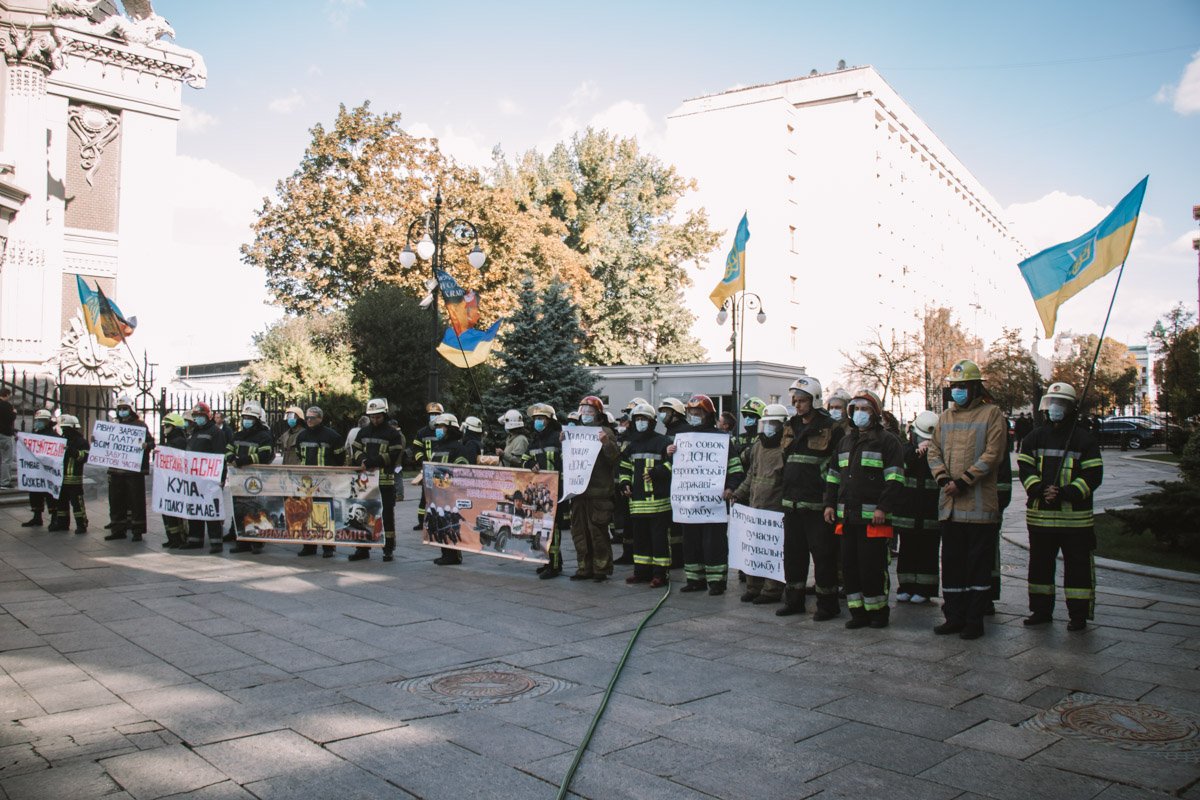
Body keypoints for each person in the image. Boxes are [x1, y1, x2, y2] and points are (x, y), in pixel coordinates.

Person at [927, 359, 1008, 640]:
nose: (957, 391)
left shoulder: (992, 414)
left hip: (979, 509)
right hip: (950, 509)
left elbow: (993, 454)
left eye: (962, 387)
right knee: (951, 566)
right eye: (954, 387)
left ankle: (974, 621)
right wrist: (942, 479)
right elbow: (933, 451)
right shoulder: (946, 418)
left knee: (977, 568)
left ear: (975, 388)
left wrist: (963, 481)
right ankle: (954, 616)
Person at [1018, 382, 1104, 632]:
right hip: (1040, 518)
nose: (1055, 408)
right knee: (1039, 566)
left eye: (1061, 404)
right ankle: (1040, 610)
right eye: (1052, 403)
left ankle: (1078, 615)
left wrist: (1065, 493)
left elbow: (1093, 476)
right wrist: (1040, 489)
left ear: (1071, 408)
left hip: (1075, 521)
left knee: (1078, 569)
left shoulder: (1084, 440)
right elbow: (1025, 468)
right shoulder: (1034, 437)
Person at [823, 390, 904, 629]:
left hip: (874, 520)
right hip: (847, 517)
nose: (859, 414)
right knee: (850, 567)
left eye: (865, 410)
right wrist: (829, 504)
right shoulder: (845, 442)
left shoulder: (888, 442)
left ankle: (878, 612)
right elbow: (833, 476)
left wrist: (883, 508)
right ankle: (858, 613)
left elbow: (895, 479)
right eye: (856, 409)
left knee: (873, 568)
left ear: (875, 413)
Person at [778, 376, 844, 620]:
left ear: (814, 400)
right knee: (793, 556)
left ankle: (827, 605)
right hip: (792, 503)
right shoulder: (790, 425)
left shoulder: (831, 427)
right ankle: (794, 601)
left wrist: (830, 501)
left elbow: (836, 467)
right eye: (795, 400)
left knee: (823, 556)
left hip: (817, 504)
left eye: (802, 401)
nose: (797, 405)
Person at [675, 394, 743, 595]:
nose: (694, 416)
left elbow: (736, 467)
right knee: (691, 542)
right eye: (692, 413)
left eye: (699, 413)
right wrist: (669, 452)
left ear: (708, 415)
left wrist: (730, 487)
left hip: (714, 501)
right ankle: (695, 579)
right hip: (690, 503)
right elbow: (675, 467)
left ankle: (717, 581)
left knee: (714, 542)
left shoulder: (721, 439)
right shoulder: (683, 438)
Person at [731, 403, 789, 605]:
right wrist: (738, 494)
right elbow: (751, 475)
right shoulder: (757, 446)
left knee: (773, 551)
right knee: (754, 549)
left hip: (775, 509)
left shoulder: (786, 448)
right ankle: (753, 587)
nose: (768, 428)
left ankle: (772, 590)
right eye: (766, 424)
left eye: (773, 424)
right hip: (755, 507)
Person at [620, 403, 673, 588]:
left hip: (658, 502)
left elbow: (673, 465)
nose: (640, 423)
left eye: (644, 419)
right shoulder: (632, 445)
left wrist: (657, 472)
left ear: (652, 422)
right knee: (640, 539)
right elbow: (625, 467)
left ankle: (660, 574)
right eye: (638, 419)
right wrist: (625, 483)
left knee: (658, 540)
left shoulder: (663, 441)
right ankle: (641, 572)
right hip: (637, 502)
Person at [567, 396, 620, 581]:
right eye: (583, 411)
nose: (586, 414)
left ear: (598, 414)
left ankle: (601, 568)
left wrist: (606, 442)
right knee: (579, 532)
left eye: (590, 411)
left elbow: (614, 458)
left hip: (599, 493)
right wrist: (564, 441)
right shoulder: (574, 432)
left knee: (597, 532)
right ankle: (584, 568)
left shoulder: (605, 432)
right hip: (579, 492)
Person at [895, 410, 941, 604]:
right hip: (907, 512)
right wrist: (915, 454)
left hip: (930, 513)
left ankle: (925, 589)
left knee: (928, 552)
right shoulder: (905, 450)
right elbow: (899, 468)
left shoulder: (940, 453)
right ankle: (905, 586)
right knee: (907, 550)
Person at [349, 398, 404, 562]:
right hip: (365, 482)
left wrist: (376, 461)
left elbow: (395, 454)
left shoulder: (393, 434)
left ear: (384, 415)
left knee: (386, 515)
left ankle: (388, 548)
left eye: (378, 417)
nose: (375, 420)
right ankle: (362, 548)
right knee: (362, 513)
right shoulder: (363, 432)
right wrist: (363, 461)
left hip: (385, 481)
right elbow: (356, 449)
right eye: (372, 417)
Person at [103, 394, 155, 543]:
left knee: (136, 501)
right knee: (116, 501)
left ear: (130, 409)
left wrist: (147, 446)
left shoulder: (140, 425)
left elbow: (151, 443)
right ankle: (118, 529)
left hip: (133, 472)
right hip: (116, 471)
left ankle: (137, 530)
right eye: (120, 409)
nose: (122, 411)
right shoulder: (114, 426)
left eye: (125, 408)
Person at [295, 406, 345, 558]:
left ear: (320, 419)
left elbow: (340, 458)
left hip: (325, 482)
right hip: (306, 482)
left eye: (312, 418)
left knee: (324, 512)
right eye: (307, 418)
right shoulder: (302, 436)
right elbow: (299, 455)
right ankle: (309, 546)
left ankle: (328, 546)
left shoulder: (332, 436)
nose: (309, 420)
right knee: (306, 512)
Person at [226, 401, 274, 555]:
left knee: (256, 509)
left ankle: (257, 542)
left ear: (257, 420)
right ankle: (242, 541)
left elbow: (265, 455)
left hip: (256, 479)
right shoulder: (238, 435)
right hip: (239, 479)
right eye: (245, 417)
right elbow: (227, 450)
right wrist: (232, 457)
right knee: (239, 509)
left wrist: (244, 460)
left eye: (250, 418)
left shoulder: (264, 436)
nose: (246, 420)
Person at [523, 403, 564, 579]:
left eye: (541, 419)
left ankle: (553, 565)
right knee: (542, 528)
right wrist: (531, 464)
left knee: (553, 528)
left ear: (549, 420)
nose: (538, 422)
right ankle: (550, 561)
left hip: (556, 491)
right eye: (535, 419)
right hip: (539, 493)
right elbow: (524, 461)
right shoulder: (534, 440)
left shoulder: (558, 438)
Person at [426, 413, 473, 565]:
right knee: (440, 523)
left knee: (449, 523)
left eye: (442, 427)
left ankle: (453, 555)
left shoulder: (458, 448)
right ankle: (445, 552)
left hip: (450, 495)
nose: (438, 430)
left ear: (450, 429)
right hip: (437, 494)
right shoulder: (438, 447)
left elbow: (462, 471)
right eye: (437, 427)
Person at [182, 403, 227, 551]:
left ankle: (216, 541)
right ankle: (195, 539)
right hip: (195, 478)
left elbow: (220, 456)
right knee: (195, 508)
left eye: (200, 416)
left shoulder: (215, 432)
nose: (198, 419)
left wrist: (220, 478)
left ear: (207, 416)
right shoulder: (194, 432)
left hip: (209, 478)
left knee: (210, 509)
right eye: (196, 416)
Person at [49, 414, 89, 533]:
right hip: (61, 478)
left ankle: (81, 525)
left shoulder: (82, 442)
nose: (65, 431)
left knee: (77, 503)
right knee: (61, 503)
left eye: (67, 429)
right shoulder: (61, 440)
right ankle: (62, 523)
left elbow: (84, 456)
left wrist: (71, 451)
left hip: (74, 479)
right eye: (63, 428)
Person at [21, 410, 58, 528]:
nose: (38, 423)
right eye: (37, 420)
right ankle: (37, 517)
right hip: (36, 471)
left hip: (47, 472)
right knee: (35, 493)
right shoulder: (34, 433)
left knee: (50, 495)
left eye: (40, 421)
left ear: (47, 422)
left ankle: (54, 518)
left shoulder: (53, 435)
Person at [158, 413, 189, 550]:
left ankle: (179, 538)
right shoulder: (171, 440)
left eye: (168, 426)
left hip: (176, 481)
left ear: (175, 427)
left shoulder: (180, 441)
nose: (165, 428)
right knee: (167, 510)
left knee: (175, 512)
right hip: (167, 480)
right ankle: (172, 537)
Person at [411, 402, 443, 531]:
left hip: (441, 469)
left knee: (440, 496)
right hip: (427, 468)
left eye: (437, 414)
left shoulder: (443, 431)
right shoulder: (422, 432)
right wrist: (422, 460)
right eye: (431, 414)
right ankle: (421, 522)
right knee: (425, 496)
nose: (434, 416)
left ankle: (438, 521)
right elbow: (416, 448)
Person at [0, 387, 15, 489]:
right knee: (6, 459)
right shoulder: (7, 406)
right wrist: (14, 413)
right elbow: (10, 419)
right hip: (5, 434)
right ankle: (5, 482)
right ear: (7, 395)